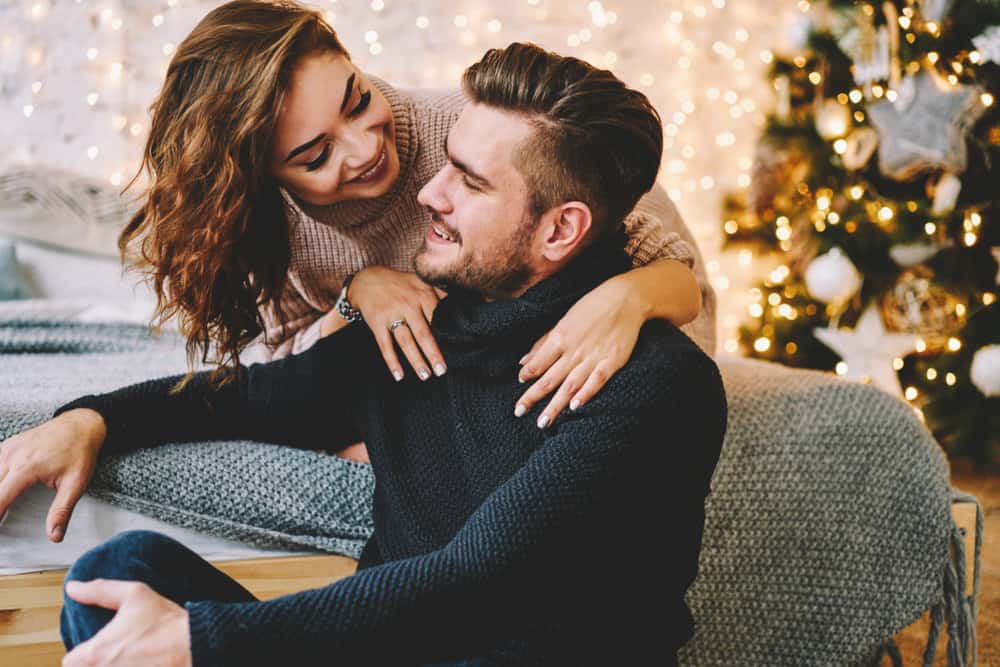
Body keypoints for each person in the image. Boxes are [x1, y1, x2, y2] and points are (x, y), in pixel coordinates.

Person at [45, 43, 727, 666]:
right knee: (117, 576)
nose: (430, 191)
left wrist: (203, 640)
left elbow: (474, 584)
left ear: (560, 230)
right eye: (445, 163)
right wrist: (89, 419)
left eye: (469, 179)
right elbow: (245, 395)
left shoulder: (652, 382)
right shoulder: (413, 332)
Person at [119, 0, 715, 465]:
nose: (364, 149)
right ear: (262, 177)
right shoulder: (272, 228)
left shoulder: (468, 136)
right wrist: (357, 296)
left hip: (647, 329)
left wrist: (627, 299)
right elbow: (280, 372)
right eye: (314, 155)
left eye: (356, 100)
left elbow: (676, 273)